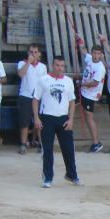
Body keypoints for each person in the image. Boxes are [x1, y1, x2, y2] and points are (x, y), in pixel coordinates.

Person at [33, 56, 80, 188]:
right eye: (57, 65)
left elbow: (72, 102)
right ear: (52, 65)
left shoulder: (68, 81)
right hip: (47, 117)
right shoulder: (43, 80)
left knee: (69, 149)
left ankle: (72, 174)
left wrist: (71, 119)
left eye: (62, 66)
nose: (59, 68)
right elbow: (35, 99)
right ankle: (48, 177)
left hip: (63, 118)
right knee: (47, 150)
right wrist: (36, 118)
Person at [76, 37, 107, 153]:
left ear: (101, 55)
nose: (95, 55)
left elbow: (94, 83)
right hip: (84, 92)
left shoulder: (100, 68)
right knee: (86, 115)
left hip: (90, 95)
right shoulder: (90, 59)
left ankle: (96, 143)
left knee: (89, 117)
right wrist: (80, 40)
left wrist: (81, 83)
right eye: (94, 53)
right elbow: (83, 51)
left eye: (98, 54)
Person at [16, 43, 46, 154]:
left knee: (39, 122)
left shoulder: (43, 67)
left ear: (39, 54)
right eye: (31, 52)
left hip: (38, 97)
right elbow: (21, 74)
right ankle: (23, 144)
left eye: (35, 52)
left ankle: (41, 143)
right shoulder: (22, 63)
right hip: (25, 95)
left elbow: (44, 83)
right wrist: (28, 62)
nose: (33, 54)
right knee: (24, 121)